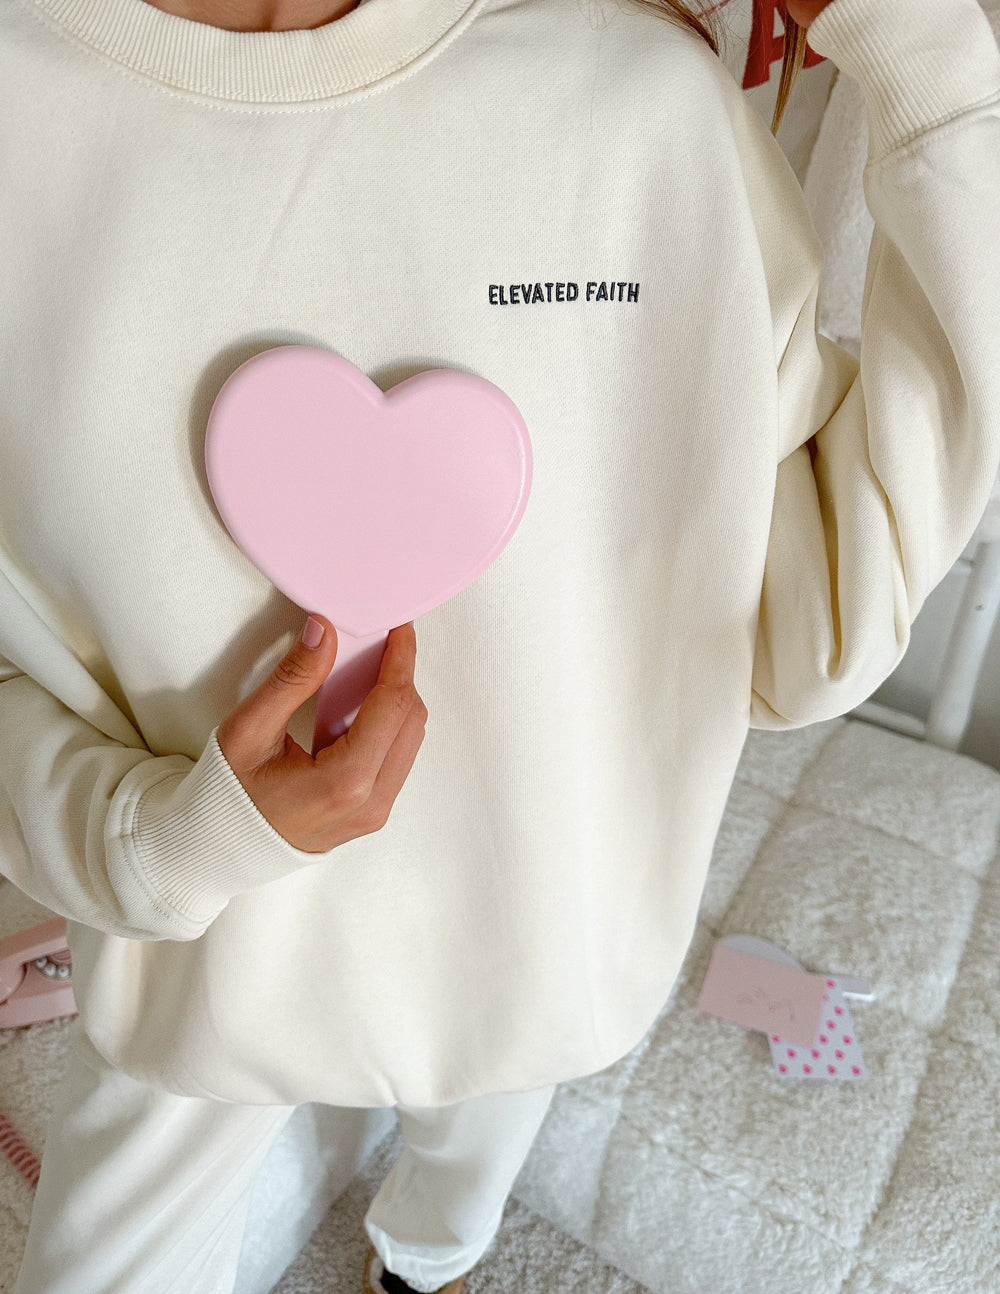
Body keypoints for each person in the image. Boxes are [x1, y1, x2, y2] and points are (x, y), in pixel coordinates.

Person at [2, 0, 999, 1289]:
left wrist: (932, 77)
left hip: (549, 939)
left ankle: (431, 1258)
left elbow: (809, 633)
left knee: (469, 1160)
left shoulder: (632, 100)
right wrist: (154, 835)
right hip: (193, 977)